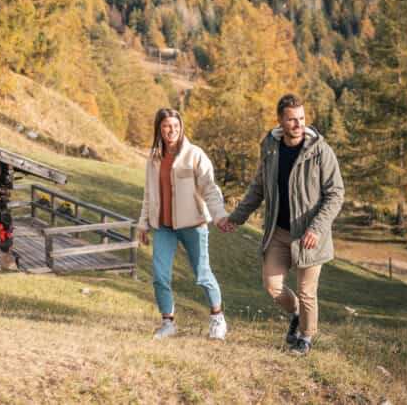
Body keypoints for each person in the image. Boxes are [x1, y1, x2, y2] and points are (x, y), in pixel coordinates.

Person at [217, 94, 343, 355]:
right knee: (272, 285)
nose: (298, 124)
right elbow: (258, 188)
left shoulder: (320, 151)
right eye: (292, 119)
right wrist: (236, 218)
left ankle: (305, 337)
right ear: (280, 120)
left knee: (307, 291)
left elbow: (335, 194)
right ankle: (296, 313)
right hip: (279, 232)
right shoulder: (270, 148)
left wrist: (317, 228)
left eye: (302, 118)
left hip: (309, 235)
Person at [138, 108, 229, 340]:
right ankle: (168, 323)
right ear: (159, 128)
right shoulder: (154, 158)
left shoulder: (194, 155)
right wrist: (143, 224)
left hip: (193, 224)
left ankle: (217, 318)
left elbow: (209, 188)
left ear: (181, 127)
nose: (172, 130)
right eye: (167, 126)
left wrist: (219, 215)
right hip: (163, 227)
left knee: (202, 274)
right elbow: (149, 193)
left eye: (176, 126)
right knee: (160, 276)